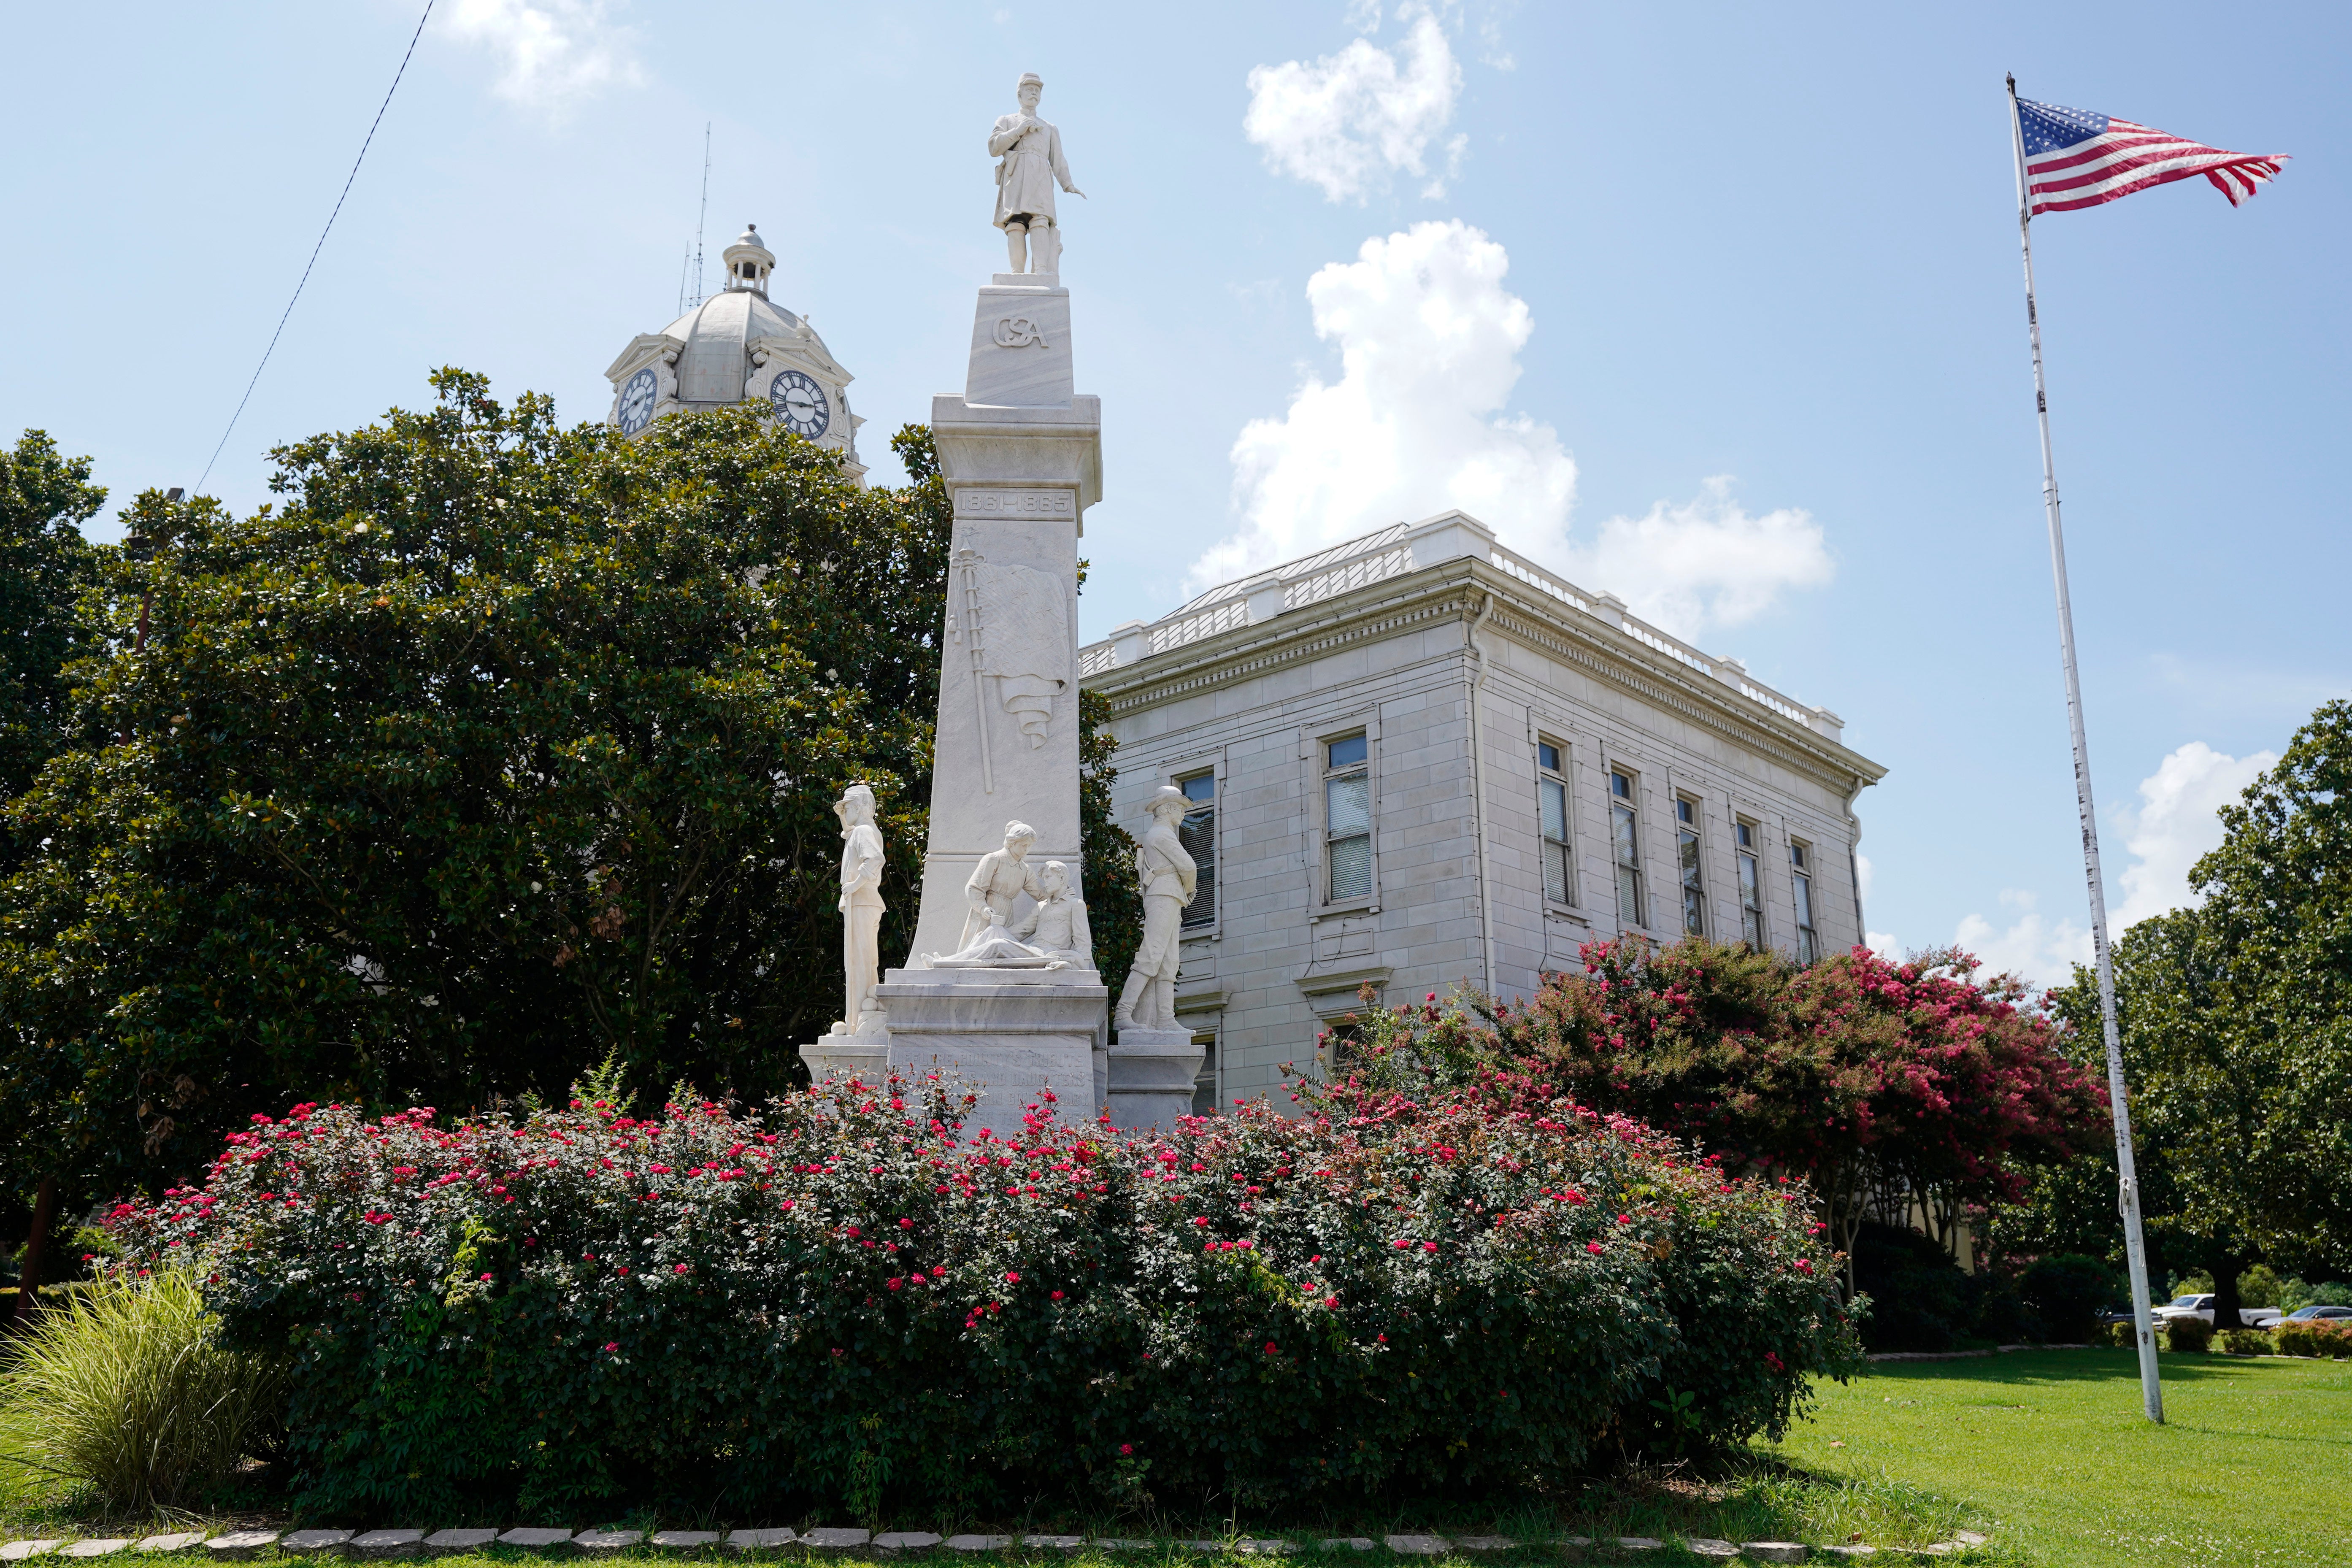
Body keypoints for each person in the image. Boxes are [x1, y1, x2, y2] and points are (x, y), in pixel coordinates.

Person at [1114, 786, 1196, 1031]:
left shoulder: (1162, 833)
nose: (1182, 814)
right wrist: (1190, 890)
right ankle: (1123, 1013)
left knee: (1169, 961)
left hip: (1169, 896)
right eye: (1180, 808)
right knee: (1151, 955)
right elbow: (1189, 867)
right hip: (1164, 895)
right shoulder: (1161, 834)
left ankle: (1165, 1019)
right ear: (1169, 808)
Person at [990, 72, 1083, 275]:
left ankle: (1041, 268)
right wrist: (1019, 131)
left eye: (1037, 90)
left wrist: (1068, 184)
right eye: (1029, 90)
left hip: (1040, 176)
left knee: (1040, 220)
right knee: (1015, 223)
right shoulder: (1007, 120)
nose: (1034, 94)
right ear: (1019, 94)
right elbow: (994, 148)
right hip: (1015, 174)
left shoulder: (1049, 128)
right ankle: (1017, 271)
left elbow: (1058, 158)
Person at [831, 784, 886, 1035]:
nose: (845, 810)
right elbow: (849, 834)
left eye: (848, 806)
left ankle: (858, 1023)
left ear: (859, 807)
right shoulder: (865, 830)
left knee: (859, 962)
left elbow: (875, 859)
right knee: (861, 961)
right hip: (864, 901)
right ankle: (860, 1018)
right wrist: (843, 816)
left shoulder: (864, 831)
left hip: (861, 900)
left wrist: (855, 884)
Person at [960, 820, 1045, 950]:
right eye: (1023, 845)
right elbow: (974, 887)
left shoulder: (1025, 869)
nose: (1027, 849)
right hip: (988, 909)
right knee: (977, 945)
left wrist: (1062, 892)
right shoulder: (994, 859)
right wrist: (983, 908)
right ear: (1012, 843)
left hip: (1006, 913)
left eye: (1029, 846)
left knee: (1000, 948)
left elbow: (1040, 894)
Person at [1018, 860, 1095, 968]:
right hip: (1033, 950)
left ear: (1062, 879)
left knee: (998, 946)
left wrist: (1085, 968)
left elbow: (1082, 939)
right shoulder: (1042, 905)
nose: (1045, 882)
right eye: (1044, 878)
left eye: (1048, 877)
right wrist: (1000, 932)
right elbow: (1023, 929)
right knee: (997, 943)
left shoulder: (1075, 904)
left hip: (1053, 953)